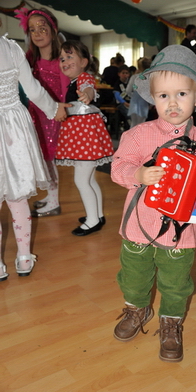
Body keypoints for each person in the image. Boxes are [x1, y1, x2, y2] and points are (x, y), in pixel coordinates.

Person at [111, 45, 196, 363]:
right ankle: (137, 309)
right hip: (139, 225)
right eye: (163, 96)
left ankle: (170, 322)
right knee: (134, 274)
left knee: (176, 281)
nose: (172, 103)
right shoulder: (139, 135)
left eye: (181, 93)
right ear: (153, 98)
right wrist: (137, 173)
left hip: (182, 233)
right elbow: (118, 167)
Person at [0, 35, 70, 281]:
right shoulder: (10, 47)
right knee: (17, 194)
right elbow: (32, 89)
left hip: (11, 127)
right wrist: (53, 108)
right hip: (15, 127)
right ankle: (24, 257)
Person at [15, 7, 70, 217]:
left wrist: (65, 114)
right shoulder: (30, 57)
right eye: (32, 29)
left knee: (48, 159)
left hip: (54, 116)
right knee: (41, 157)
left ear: (53, 29)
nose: (37, 33)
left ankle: (54, 202)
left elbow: (66, 90)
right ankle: (50, 195)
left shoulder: (62, 57)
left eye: (42, 27)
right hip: (35, 114)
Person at [56, 40, 114, 236]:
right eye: (62, 58)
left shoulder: (84, 78)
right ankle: (96, 214)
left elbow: (89, 87)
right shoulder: (74, 81)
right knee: (89, 180)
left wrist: (88, 95)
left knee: (82, 181)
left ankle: (92, 220)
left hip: (85, 141)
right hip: (84, 140)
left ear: (83, 61)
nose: (64, 61)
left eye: (69, 56)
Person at [126, 57, 152, 128]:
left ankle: (131, 138)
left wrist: (133, 96)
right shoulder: (151, 77)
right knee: (141, 123)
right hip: (144, 101)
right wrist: (151, 104)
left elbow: (128, 90)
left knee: (133, 123)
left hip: (134, 101)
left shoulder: (134, 77)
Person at [113, 64, 131, 130]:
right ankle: (130, 126)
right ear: (119, 74)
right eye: (123, 73)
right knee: (128, 113)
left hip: (130, 102)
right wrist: (124, 102)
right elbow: (117, 95)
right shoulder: (117, 83)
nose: (125, 75)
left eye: (126, 73)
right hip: (121, 103)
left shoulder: (130, 83)